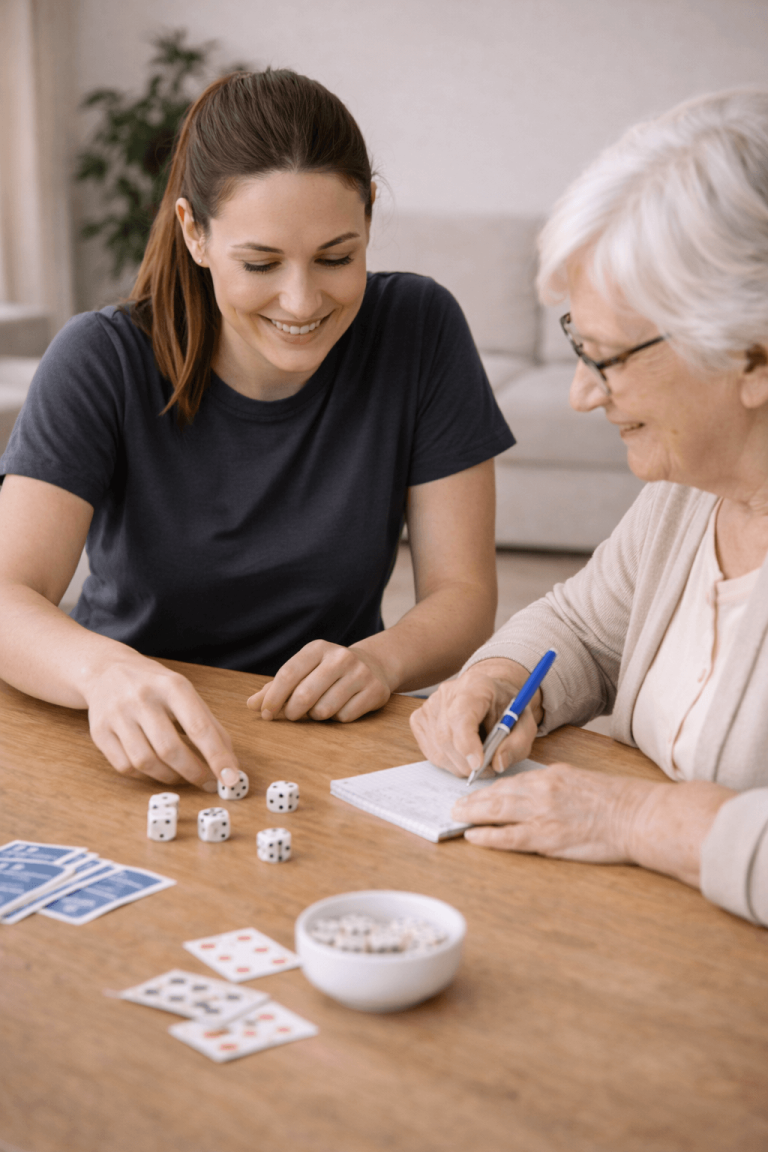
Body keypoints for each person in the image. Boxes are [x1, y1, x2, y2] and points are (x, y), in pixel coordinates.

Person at [0, 69, 513, 793]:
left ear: (369, 219)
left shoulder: (420, 329)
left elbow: (463, 593)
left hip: (329, 742)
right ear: (194, 233)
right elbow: (6, 593)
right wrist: (104, 671)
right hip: (132, 734)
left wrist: (382, 660)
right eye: (261, 263)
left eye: (337, 257)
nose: (302, 301)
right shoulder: (102, 358)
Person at [411, 88, 768, 928]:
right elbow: (582, 625)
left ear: (754, 354)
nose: (580, 394)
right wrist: (499, 681)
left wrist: (635, 817)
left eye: (605, 358)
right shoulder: (687, 496)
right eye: (578, 347)